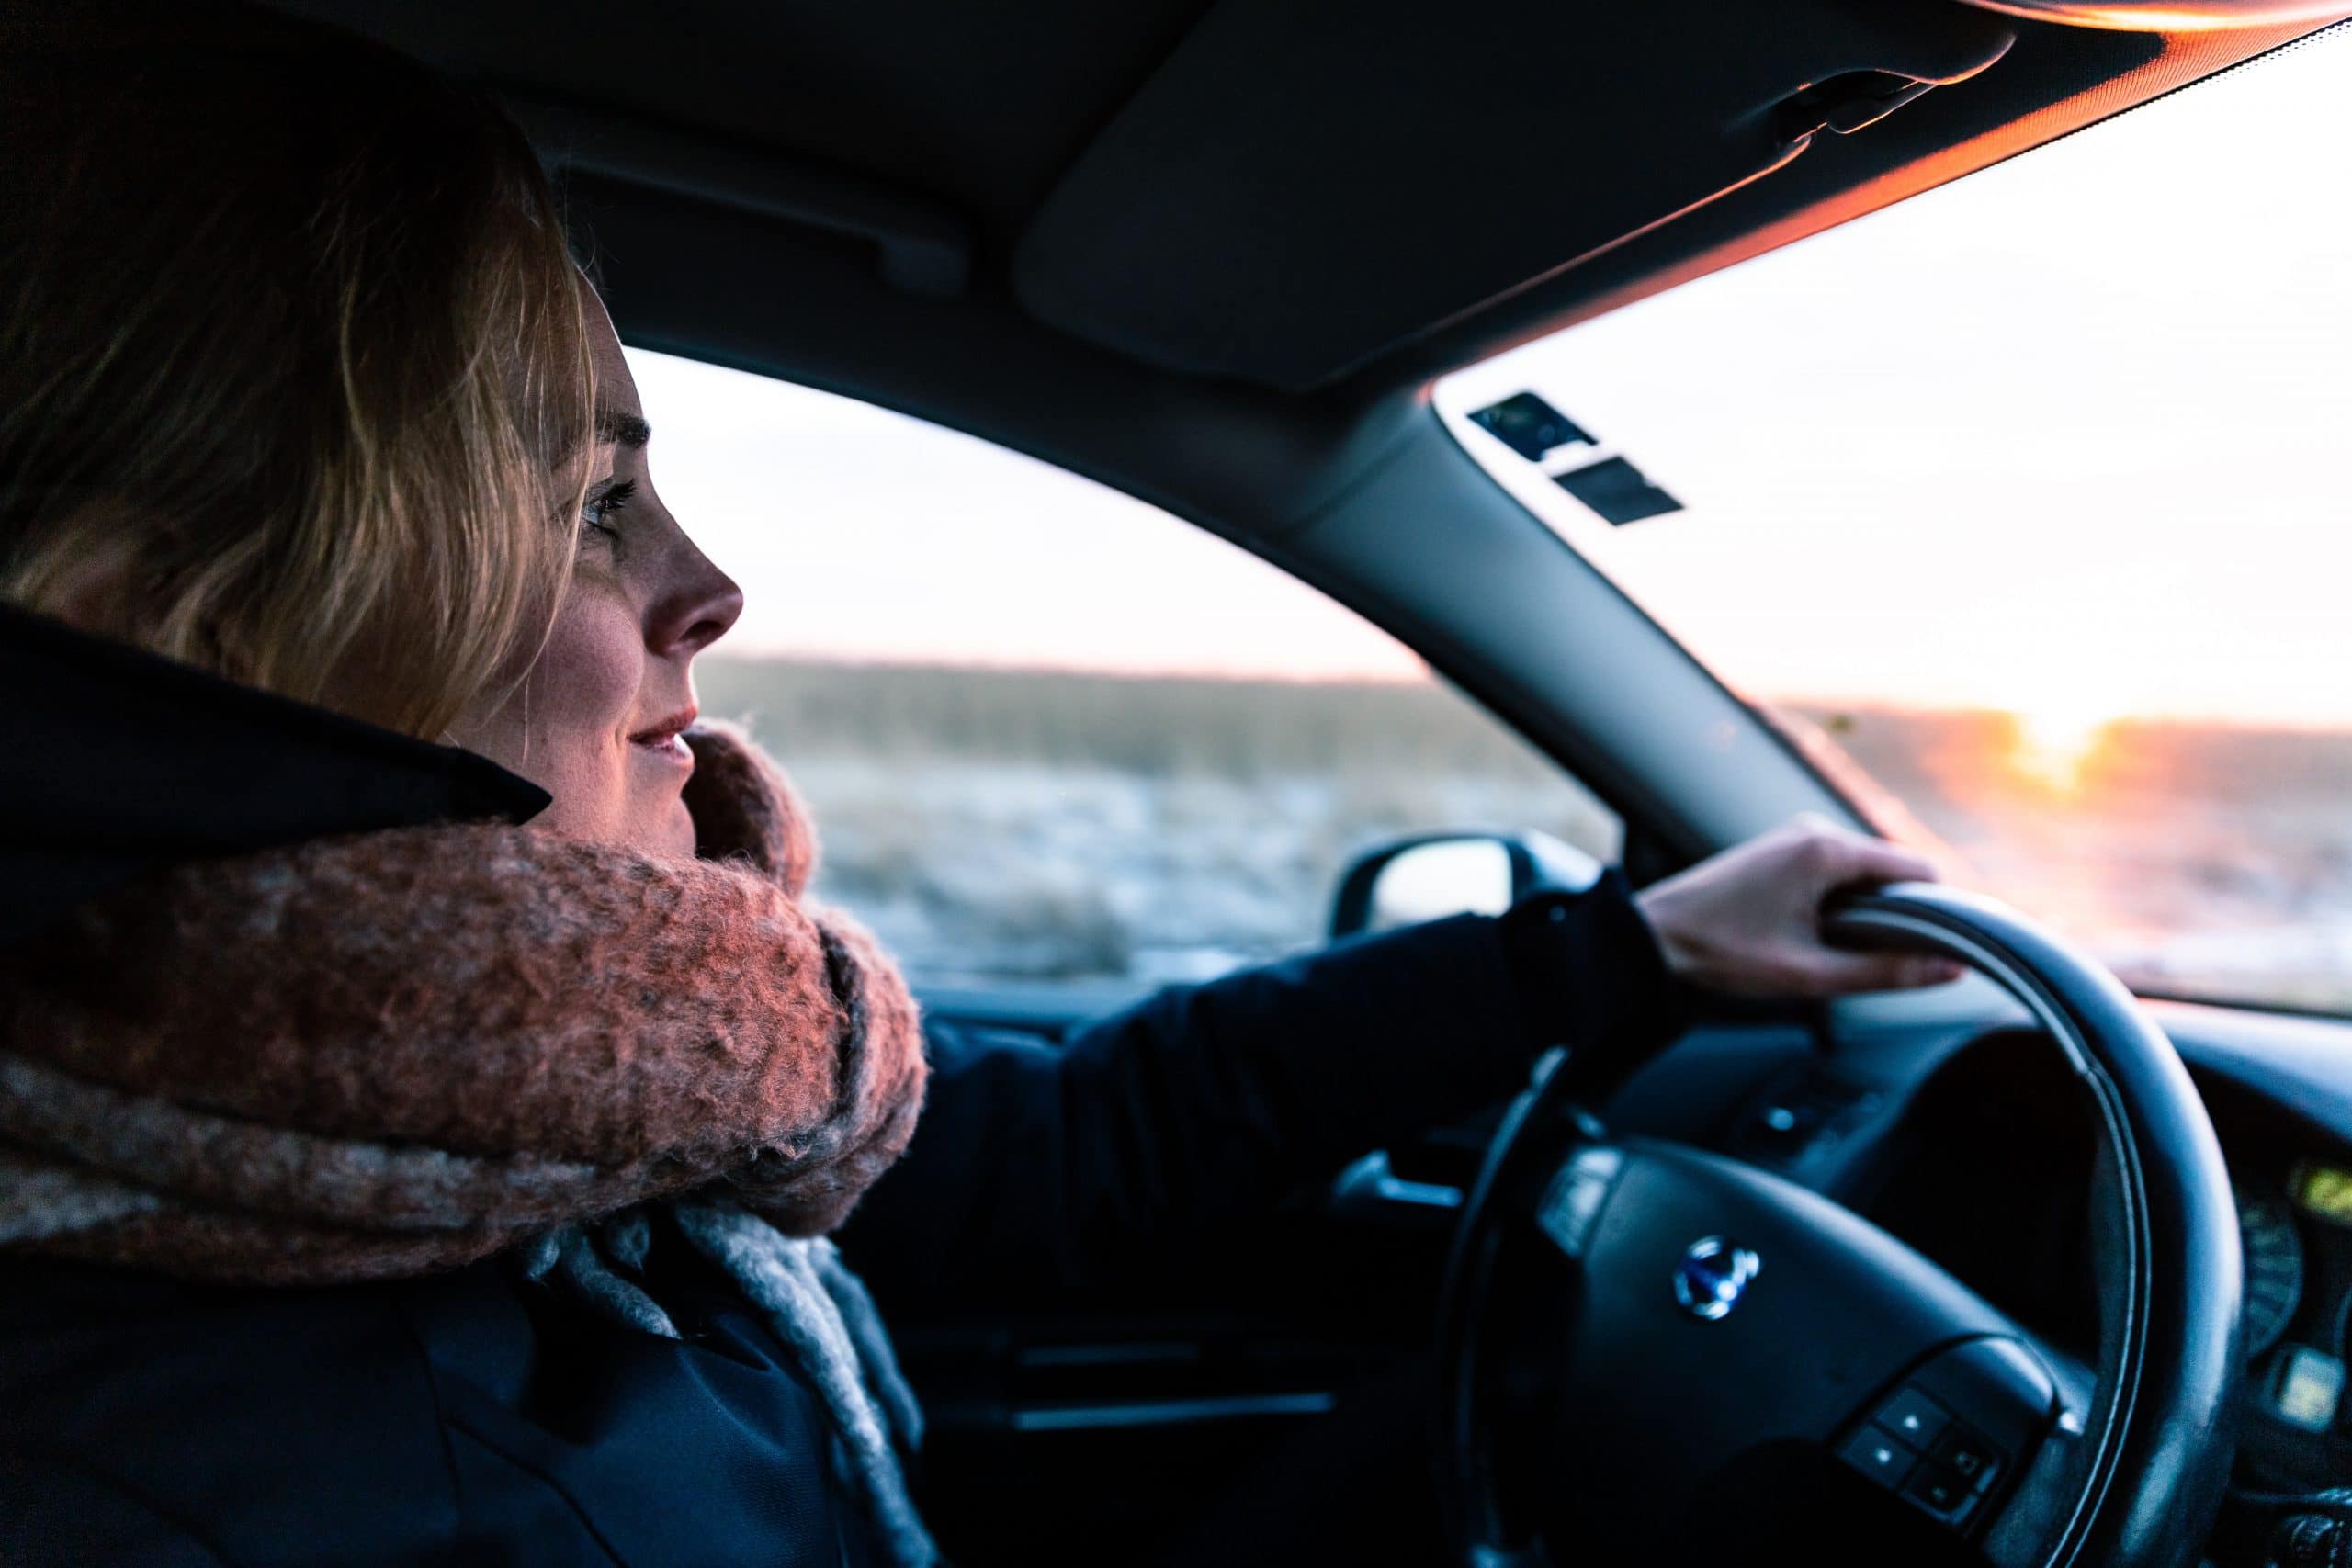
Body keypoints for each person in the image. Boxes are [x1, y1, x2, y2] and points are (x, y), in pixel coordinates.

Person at [0, 6, 1961, 1565]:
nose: (709, 585)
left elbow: (1063, 1147)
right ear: (163, 633)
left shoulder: (525, 1102)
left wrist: (1616, 951)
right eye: (592, 503)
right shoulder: (224, 1479)